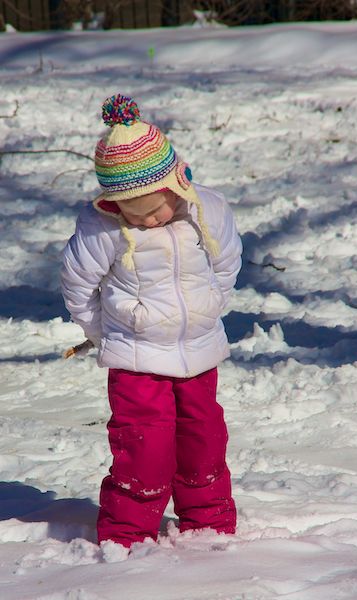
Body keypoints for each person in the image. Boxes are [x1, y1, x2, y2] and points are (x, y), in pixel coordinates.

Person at [61, 94, 242, 550]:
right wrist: (102, 333)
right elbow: (79, 286)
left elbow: (227, 260)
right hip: (137, 361)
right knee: (145, 447)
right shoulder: (102, 230)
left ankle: (208, 524)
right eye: (134, 215)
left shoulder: (207, 211)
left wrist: (210, 305)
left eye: (156, 210)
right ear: (113, 205)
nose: (149, 221)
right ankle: (127, 533)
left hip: (199, 353)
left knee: (203, 439)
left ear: (175, 185)